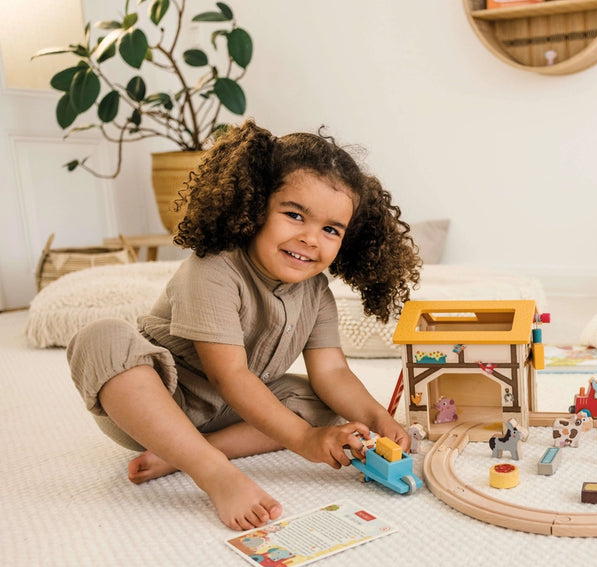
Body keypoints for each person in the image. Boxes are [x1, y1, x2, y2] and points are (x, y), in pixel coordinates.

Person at [67, 120, 421, 531]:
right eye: (294, 215)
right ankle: (212, 470)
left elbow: (333, 372)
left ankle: (180, 454)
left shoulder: (316, 291)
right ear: (253, 208)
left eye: (330, 229)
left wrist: (378, 418)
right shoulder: (213, 268)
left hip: (230, 414)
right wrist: (305, 442)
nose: (310, 238)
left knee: (322, 404)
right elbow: (230, 375)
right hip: (157, 404)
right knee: (102, 338)